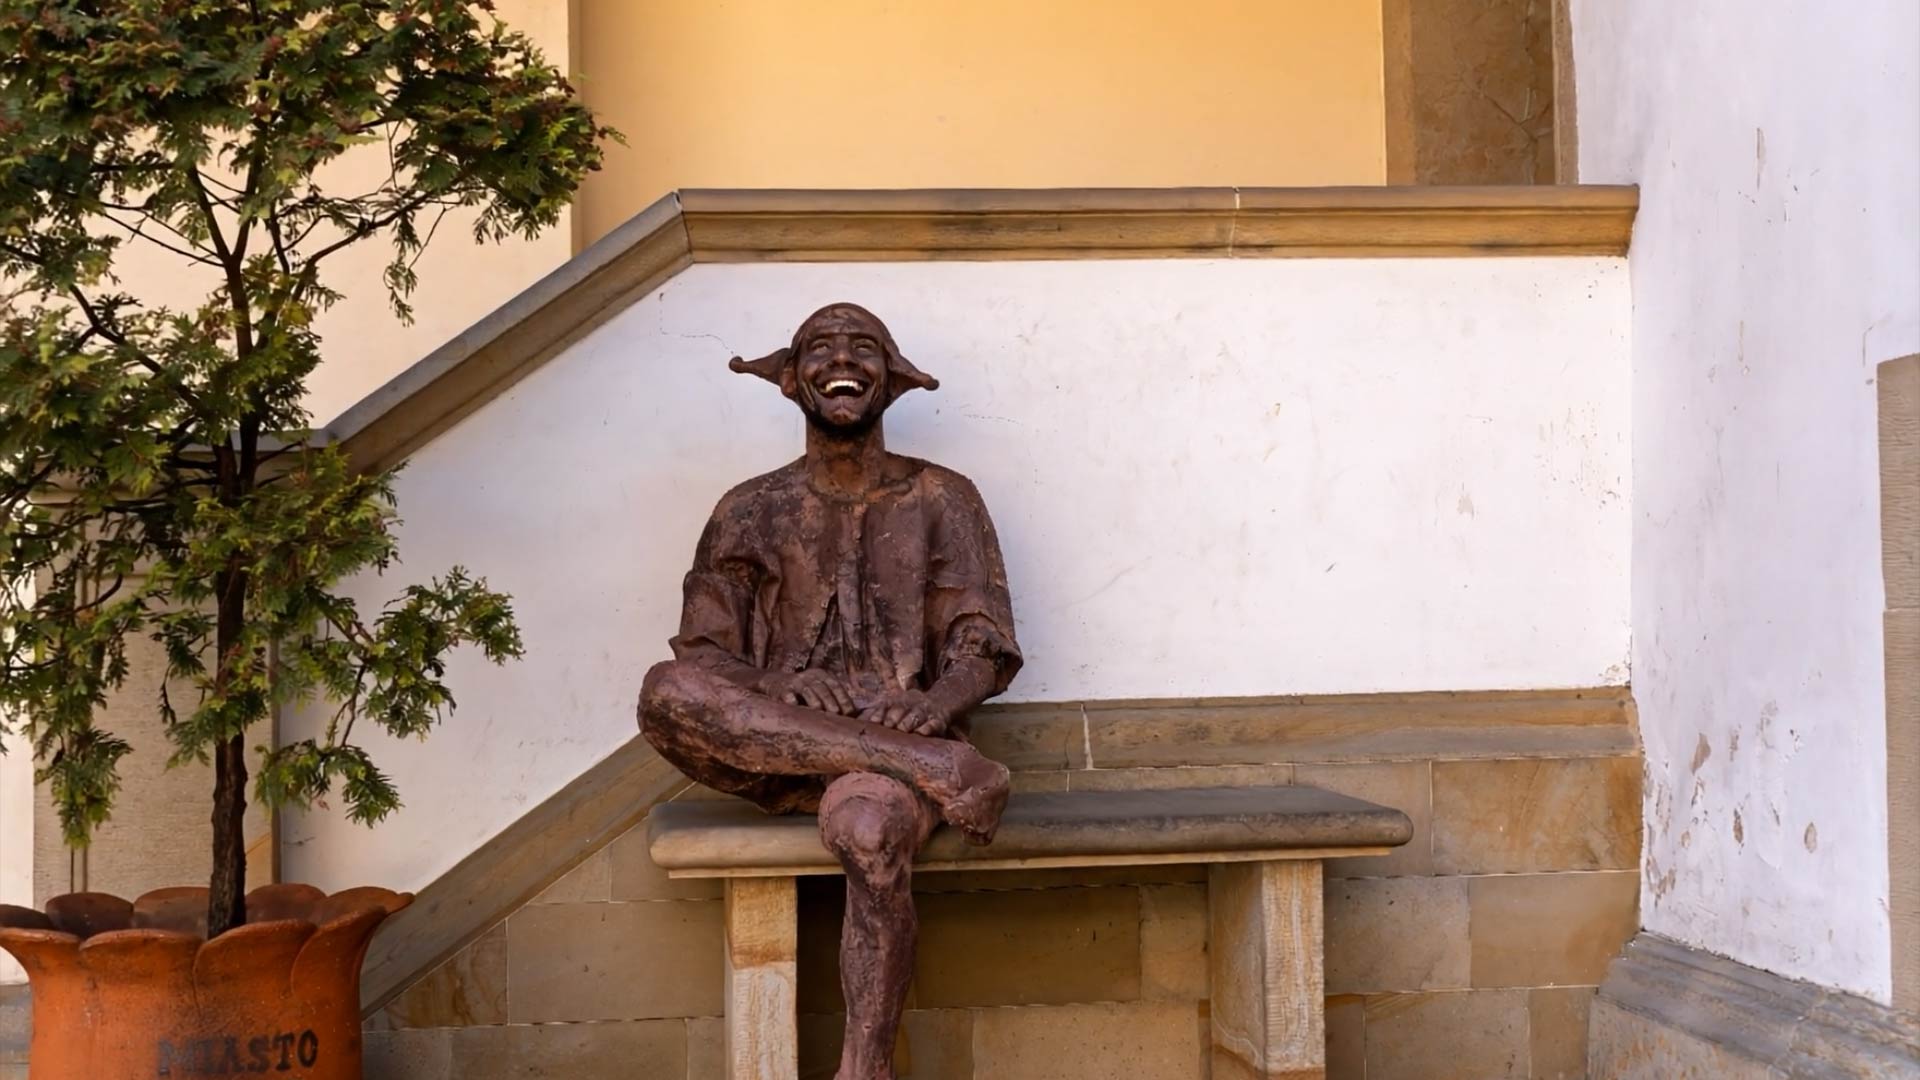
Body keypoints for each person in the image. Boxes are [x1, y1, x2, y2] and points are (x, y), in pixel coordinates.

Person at [638, 302, 1021, 1080]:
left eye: (862, 349)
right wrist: (781, 685)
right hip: (780, 744)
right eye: (820, 348)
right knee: (662, 689)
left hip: (886, 762)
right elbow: (703, 658)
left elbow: (981, 642)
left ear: (891, 380)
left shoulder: (943, 497)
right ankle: (934, 767)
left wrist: (936, 707)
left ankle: (864, 1066)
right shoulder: (748, 508)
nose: (841, 362)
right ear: (791, 379)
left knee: (869, 836)